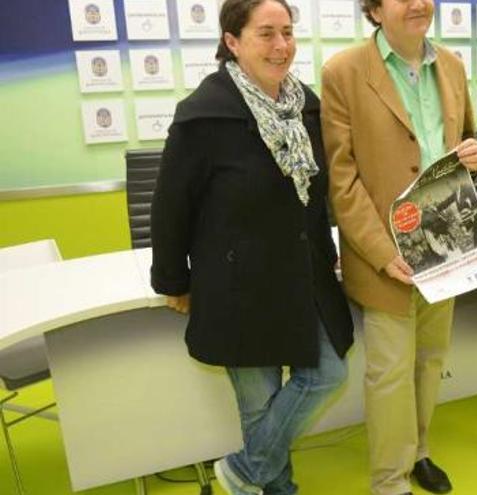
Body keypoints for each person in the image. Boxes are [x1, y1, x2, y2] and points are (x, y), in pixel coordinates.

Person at [149, 1, 354, 494]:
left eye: (287, 32)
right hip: (237, 283)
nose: (281, 46)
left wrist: (329, 252)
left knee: (327, 374)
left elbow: (314, 194)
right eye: (266, 34)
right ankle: (277, 488)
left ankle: (243, 471)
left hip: (303, 274)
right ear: (232, 41)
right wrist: (174, 281)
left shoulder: (305, 104)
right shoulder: (203, 115)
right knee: (259, 404)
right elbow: (170, 206)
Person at [321, 1, 477, 493]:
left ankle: (420, 451)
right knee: (389, 373)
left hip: (447, 243)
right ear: (373, 9)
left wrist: (471, 157)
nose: (418, 3)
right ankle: (390, 480)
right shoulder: (343, 72)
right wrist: (379, 251)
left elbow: (465, 141)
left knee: (430, 358)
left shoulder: (451, 65)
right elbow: (341, 179)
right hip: (383, 253)